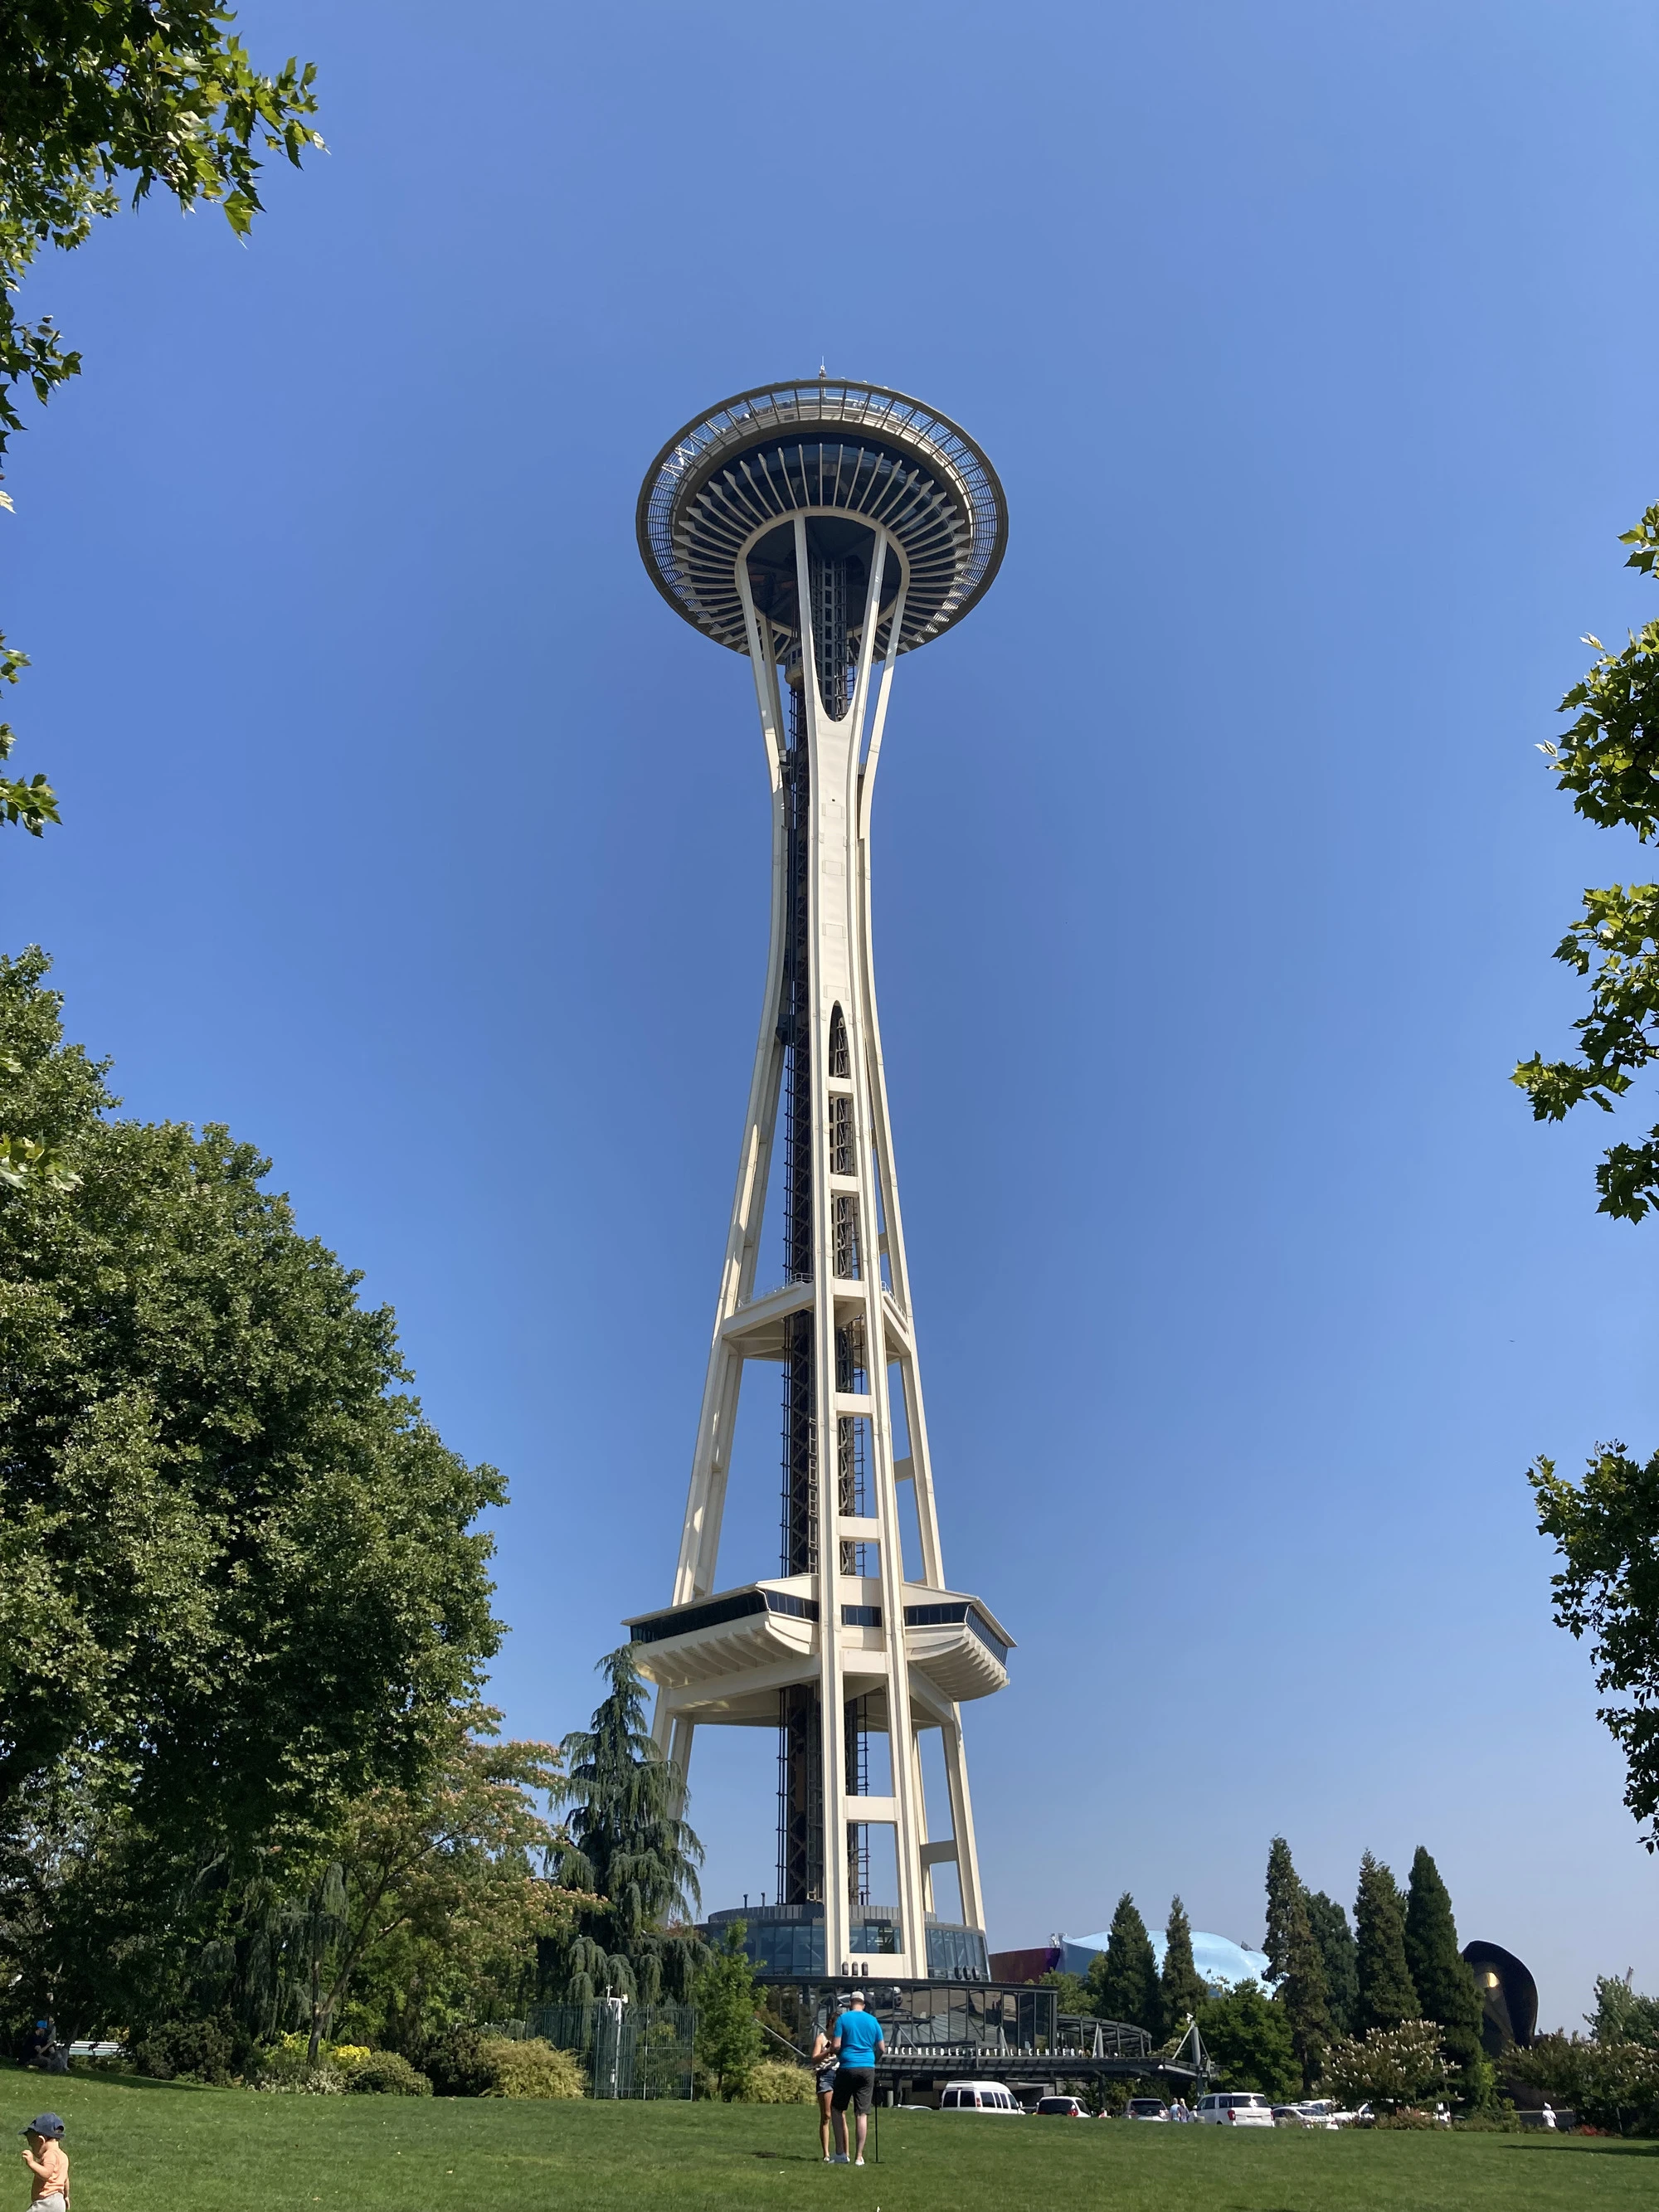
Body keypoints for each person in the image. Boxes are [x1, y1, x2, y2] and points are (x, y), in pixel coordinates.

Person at [829, 1991, 884, 2166]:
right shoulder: (873, 2021)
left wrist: (834, 2051)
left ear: (850, 2003)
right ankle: (859, 2157)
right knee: (862, 2113)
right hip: (867, 2067)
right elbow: (882, 2048)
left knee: (837, 2109)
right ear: (864, 2004)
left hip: (847, 2066)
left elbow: (836, 2045)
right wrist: (873, 2060)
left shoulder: (843, 2020)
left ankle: (840, 2154)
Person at [20, 2114, 67, 2212]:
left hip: (47, 2201)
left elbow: (46, 2174)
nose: (32, 2149)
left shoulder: (50, 2154)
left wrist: (31, 2163)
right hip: (59, 2202)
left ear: (40, 2141)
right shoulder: (63, 2156)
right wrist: (66, 2197)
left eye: (32, 2145)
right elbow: (65, 2180)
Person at [810, 2024, 838, 2161]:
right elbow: (814, 2059)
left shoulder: (841, 2039)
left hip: (839, 2074)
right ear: (829, 2025)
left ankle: (842, 2152)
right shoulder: (821, 2038)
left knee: (839, 2114)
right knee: (826, 2115)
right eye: (835, 2026)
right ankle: (826, 2153)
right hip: (825, 2074)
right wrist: (828, 2051)